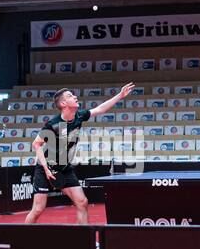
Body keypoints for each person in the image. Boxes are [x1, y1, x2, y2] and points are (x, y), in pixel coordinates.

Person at [26, 83, 135, 224]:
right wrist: (46, 169)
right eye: (71, 96)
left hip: (64, 169)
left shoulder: (79, 116)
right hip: (45, 168)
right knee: (38, 209)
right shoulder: (53, 124)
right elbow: (36, 144)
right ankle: (22, 240)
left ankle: (83, 240)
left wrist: (120, 95)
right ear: (64, 103)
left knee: (82, 202)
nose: (75, 96)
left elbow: (100, 109)